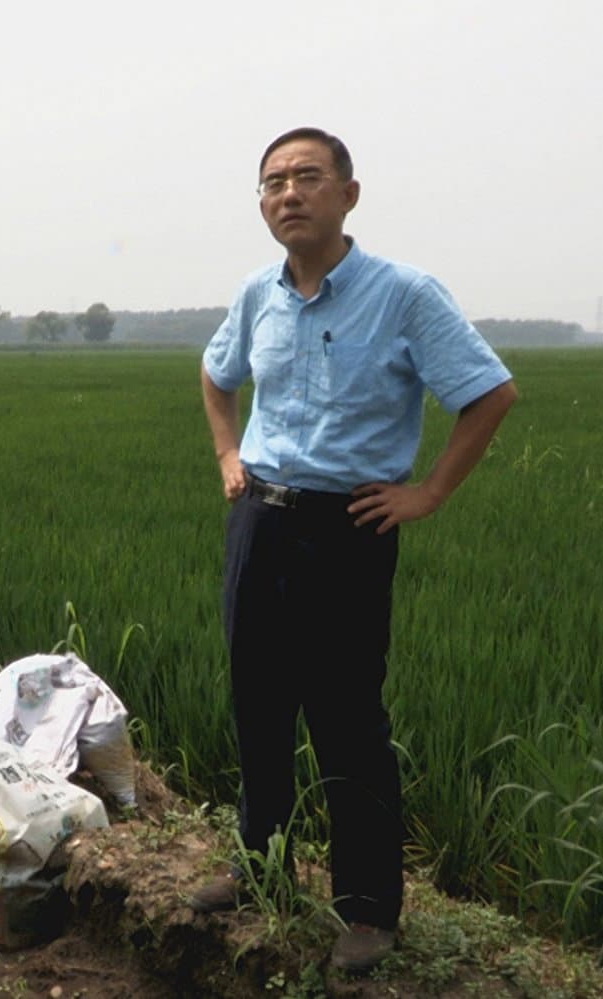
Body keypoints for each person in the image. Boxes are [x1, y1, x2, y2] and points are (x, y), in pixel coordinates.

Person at [192, 126, 517, 973]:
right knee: (257, 702)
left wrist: (429, 492)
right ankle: (258, 866)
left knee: (345, 718)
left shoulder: (403, 294)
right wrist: (228, 456)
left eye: (305, 177)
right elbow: (216, 374)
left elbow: (487, 392)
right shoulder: (255, 295)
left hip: (348, 528)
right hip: (257, 520)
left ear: (348, 193)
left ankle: (366, 908)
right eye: (270, 183)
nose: (287, 193)